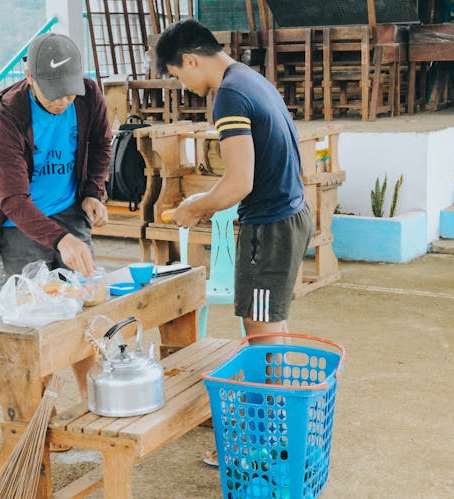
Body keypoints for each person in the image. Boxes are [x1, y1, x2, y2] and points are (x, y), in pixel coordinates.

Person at [154, 19, 313, 466]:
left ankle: (258, 449)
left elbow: (239, 182)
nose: (181, 83)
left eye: (177, 74)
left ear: (190, 59)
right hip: (290, 215)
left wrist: (196, 206)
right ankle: (277, 432)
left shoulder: (228, 96)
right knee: (273, 332)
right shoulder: (249, 77)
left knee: (260, 337)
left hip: (270, 226)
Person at [0, 33, 113, 414]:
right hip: (20, 223)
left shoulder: (87, 95)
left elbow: (102, 143)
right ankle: (40, 423)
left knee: (82, 313)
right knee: (31, 325)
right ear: (29, 77)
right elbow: (14, 199)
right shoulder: (8, 114)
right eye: (53, 95)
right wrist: (61, 240)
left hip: (70, 211)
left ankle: (93, 405)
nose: (62, 102)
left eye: (68, 94)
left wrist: (92, 192)